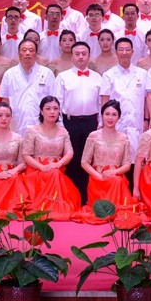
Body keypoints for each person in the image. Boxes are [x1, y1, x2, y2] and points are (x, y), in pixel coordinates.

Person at [72, 100, 138, 224]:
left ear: (119, 117)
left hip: (116, 178)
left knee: (117, 180)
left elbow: (127, 165)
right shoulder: (93, 136)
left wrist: (114, 172)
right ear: (102, 115)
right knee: (116, 181)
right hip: (97, 179)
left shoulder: (123, 138)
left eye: (114, 114)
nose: (110, 118)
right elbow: (84, 162)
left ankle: (114, 211)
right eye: (107, 114)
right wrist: (98, 175)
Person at [54, 41, 102, 201]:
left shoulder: (97, 77)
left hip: (91, 123)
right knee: (72, 160)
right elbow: (57, 102)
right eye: (77, 54)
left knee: (89, 159)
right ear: (72, 56)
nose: (81, 57)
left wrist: (100, 123)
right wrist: (60, 125)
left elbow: (100, 103)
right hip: (70, 124)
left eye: (84, 54)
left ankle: (88, 197)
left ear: (89, 56)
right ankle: (72, 197)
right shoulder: (62, 77)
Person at [22, 97, 80, 220]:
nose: (52, 112)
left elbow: (69, 153)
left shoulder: (63, 131)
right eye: (48, 108)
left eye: (55, 108)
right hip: (36, 171)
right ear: (41, 111)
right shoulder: (33, 131)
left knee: (55, 174)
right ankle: (49, 208)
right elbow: (26, 155)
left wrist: (59, 164)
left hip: (56, 170)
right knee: (54, 174)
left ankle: (55, 208)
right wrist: (42, 167)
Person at [101, 38, 151, 157]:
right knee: (116, 158)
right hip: (115, 124)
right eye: (121, 50)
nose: (124, 53)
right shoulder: (108, 75)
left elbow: (146, 99)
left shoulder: (142, 73)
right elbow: (104, 101)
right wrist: (103, 123)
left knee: (137, 158)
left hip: (137, 123)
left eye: (127, 49)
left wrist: (146, 120)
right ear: (116, 52)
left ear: (132, 52)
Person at [0, 39, 57, 134]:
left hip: (41, 124)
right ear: (19, 53)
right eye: (24, 50)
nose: (27, 53)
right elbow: (5, 100)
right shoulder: (9, 74)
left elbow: (54, 101)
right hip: (16, 123)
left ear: (36, 53)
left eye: (31, 50)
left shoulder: (47, 73)